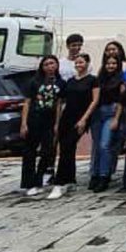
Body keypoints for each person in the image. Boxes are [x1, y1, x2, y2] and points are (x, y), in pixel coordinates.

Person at [53, 53, 98, 198]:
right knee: (67, 148)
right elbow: (61, 101)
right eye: (77, 63)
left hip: (81, 118)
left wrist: (84, 119)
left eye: (81, 62)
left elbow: (94, 101)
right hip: (67, 117)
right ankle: (70, 179)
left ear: (87, 63)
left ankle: (59, 183)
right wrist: (57, 121)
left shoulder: (92, 80)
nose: (79, 65)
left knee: (67, 146)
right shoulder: (70, 81)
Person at [19, 55, 62, 197]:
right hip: (33, 119)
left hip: (49, 121)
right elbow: (27, 103)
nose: (50, 66)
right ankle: (28, 183)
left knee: (47, 151)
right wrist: (24, 123)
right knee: (29, 152)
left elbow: (59, 105)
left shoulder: (60, 83)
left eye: (52, 63)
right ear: (42, 67)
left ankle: (39, 180)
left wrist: (57, 123)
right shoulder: (34, 82)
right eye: (47, 64)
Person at [89, 51, 126, 192]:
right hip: (98, 113)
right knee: (97, 146)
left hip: (111, 112)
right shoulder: (99, 78)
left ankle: (104, 176)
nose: (111, 66)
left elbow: (121, 101)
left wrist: (116, 118)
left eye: (114, 63)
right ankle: (95, 174)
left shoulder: (121, 79)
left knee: (105, 145)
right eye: (108, 63)